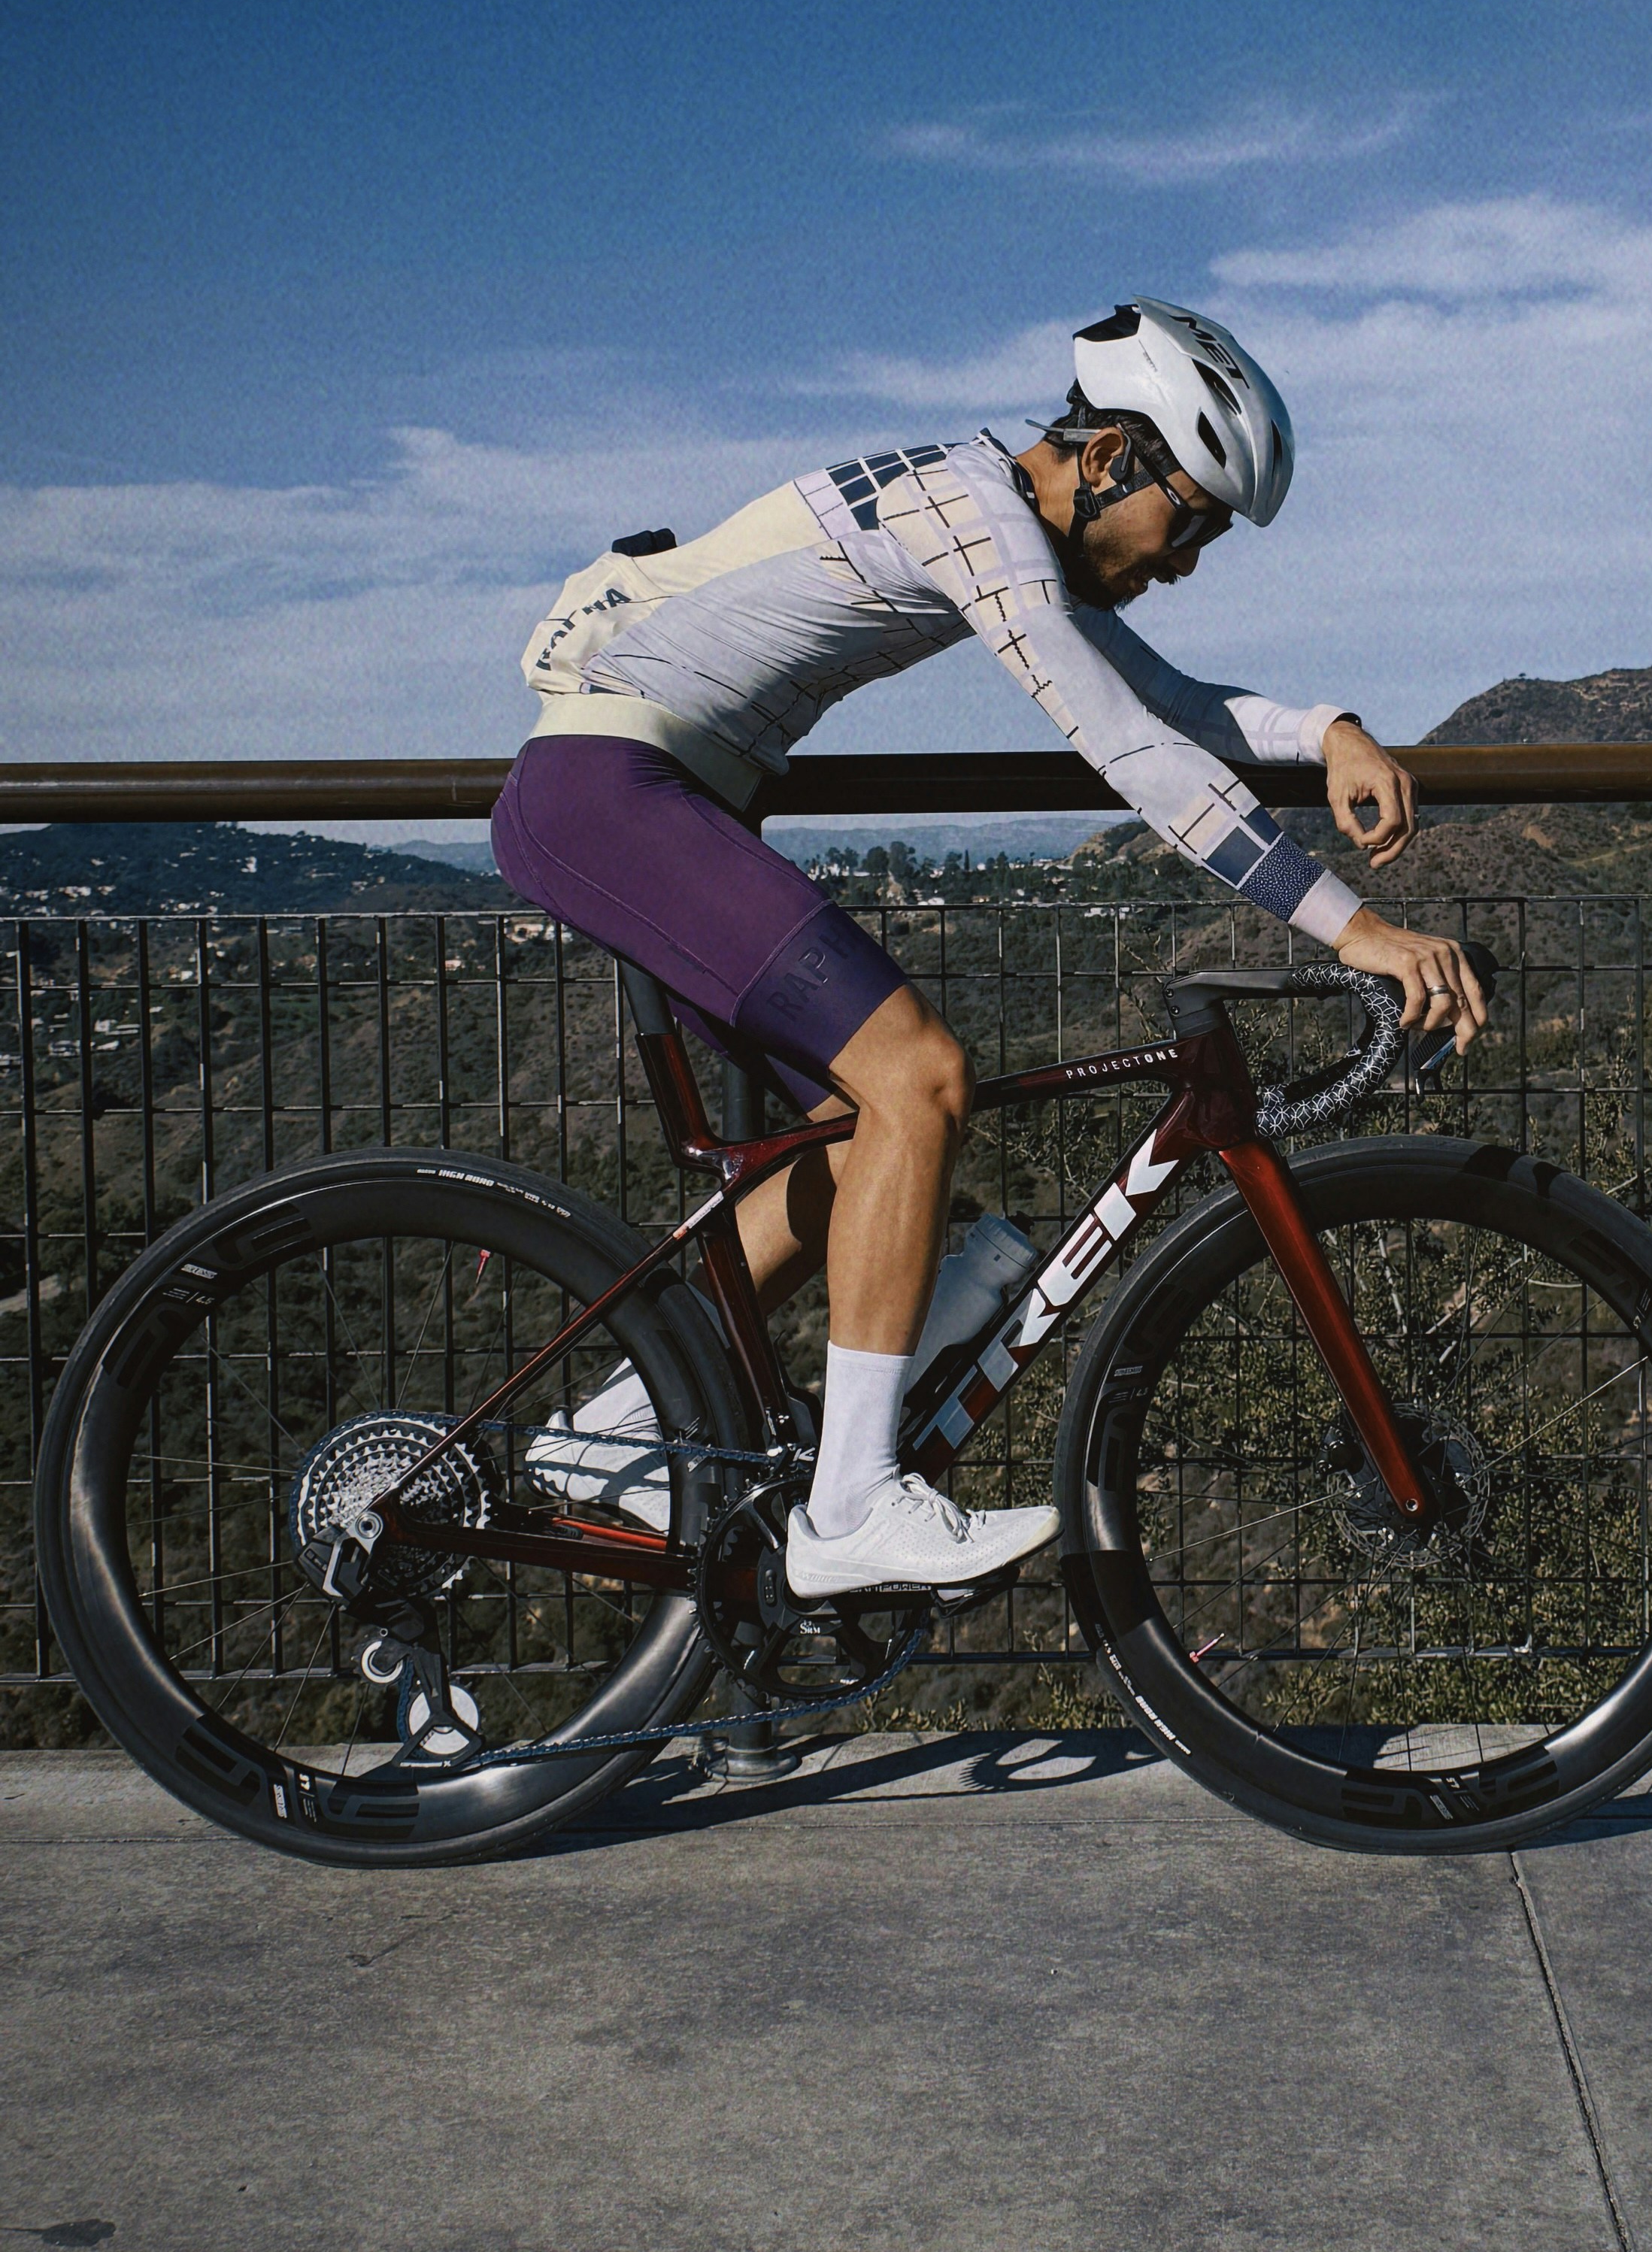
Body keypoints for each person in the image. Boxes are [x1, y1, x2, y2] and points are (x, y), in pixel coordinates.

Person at [490, 297, 1488, 1600]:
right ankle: (850, 1505)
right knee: (919, 1078)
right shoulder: (979, 521)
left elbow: (1166, 697)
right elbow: (1133, 750)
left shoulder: (990, 512)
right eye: (1190, 520)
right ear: (1110, 455)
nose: (1188, 561)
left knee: (864, 1127)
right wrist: (1359, 929)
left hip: (649, 793)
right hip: (610, 789)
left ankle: (619, 1426)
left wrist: (1327, 729)